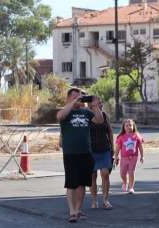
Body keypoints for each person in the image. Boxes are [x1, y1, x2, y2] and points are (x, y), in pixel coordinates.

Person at [56, 88, 103, 223]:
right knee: (71, 183)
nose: (79, 99)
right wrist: (73, 103)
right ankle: (71, 212)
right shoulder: (66, 112)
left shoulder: (86, 112)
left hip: (85, 152)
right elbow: (60, 116)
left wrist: (95, 107)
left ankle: (78, 210)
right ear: (68, 98)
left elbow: (99, 120)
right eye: (75, 96)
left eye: (81, 96)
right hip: (70, 153)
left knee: (82, 183)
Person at [89, 96, 114, 210]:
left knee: (105, 174)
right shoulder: (87, 116)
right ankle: (94, 200)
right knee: (92, 176)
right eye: (98, 102)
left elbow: (110, 131)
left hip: (104, 149)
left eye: (100, 102)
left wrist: (112, 148)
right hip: (91, 150)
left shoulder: (104, 115)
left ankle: (105, 200)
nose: (100, 104)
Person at [114, 119, 144, 194]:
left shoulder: (137, 135)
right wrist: (116, 157)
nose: (128, 127)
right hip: (124, 158)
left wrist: (142, 156)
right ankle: (125, 182)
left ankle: (131, 187)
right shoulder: (121, 137)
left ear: (133, 126)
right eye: (126, 125)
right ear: (124, 127)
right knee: (122, 173)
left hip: (133, 157)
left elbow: (140, 146)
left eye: (130, 125)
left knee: (131, 172)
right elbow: (117, 148)